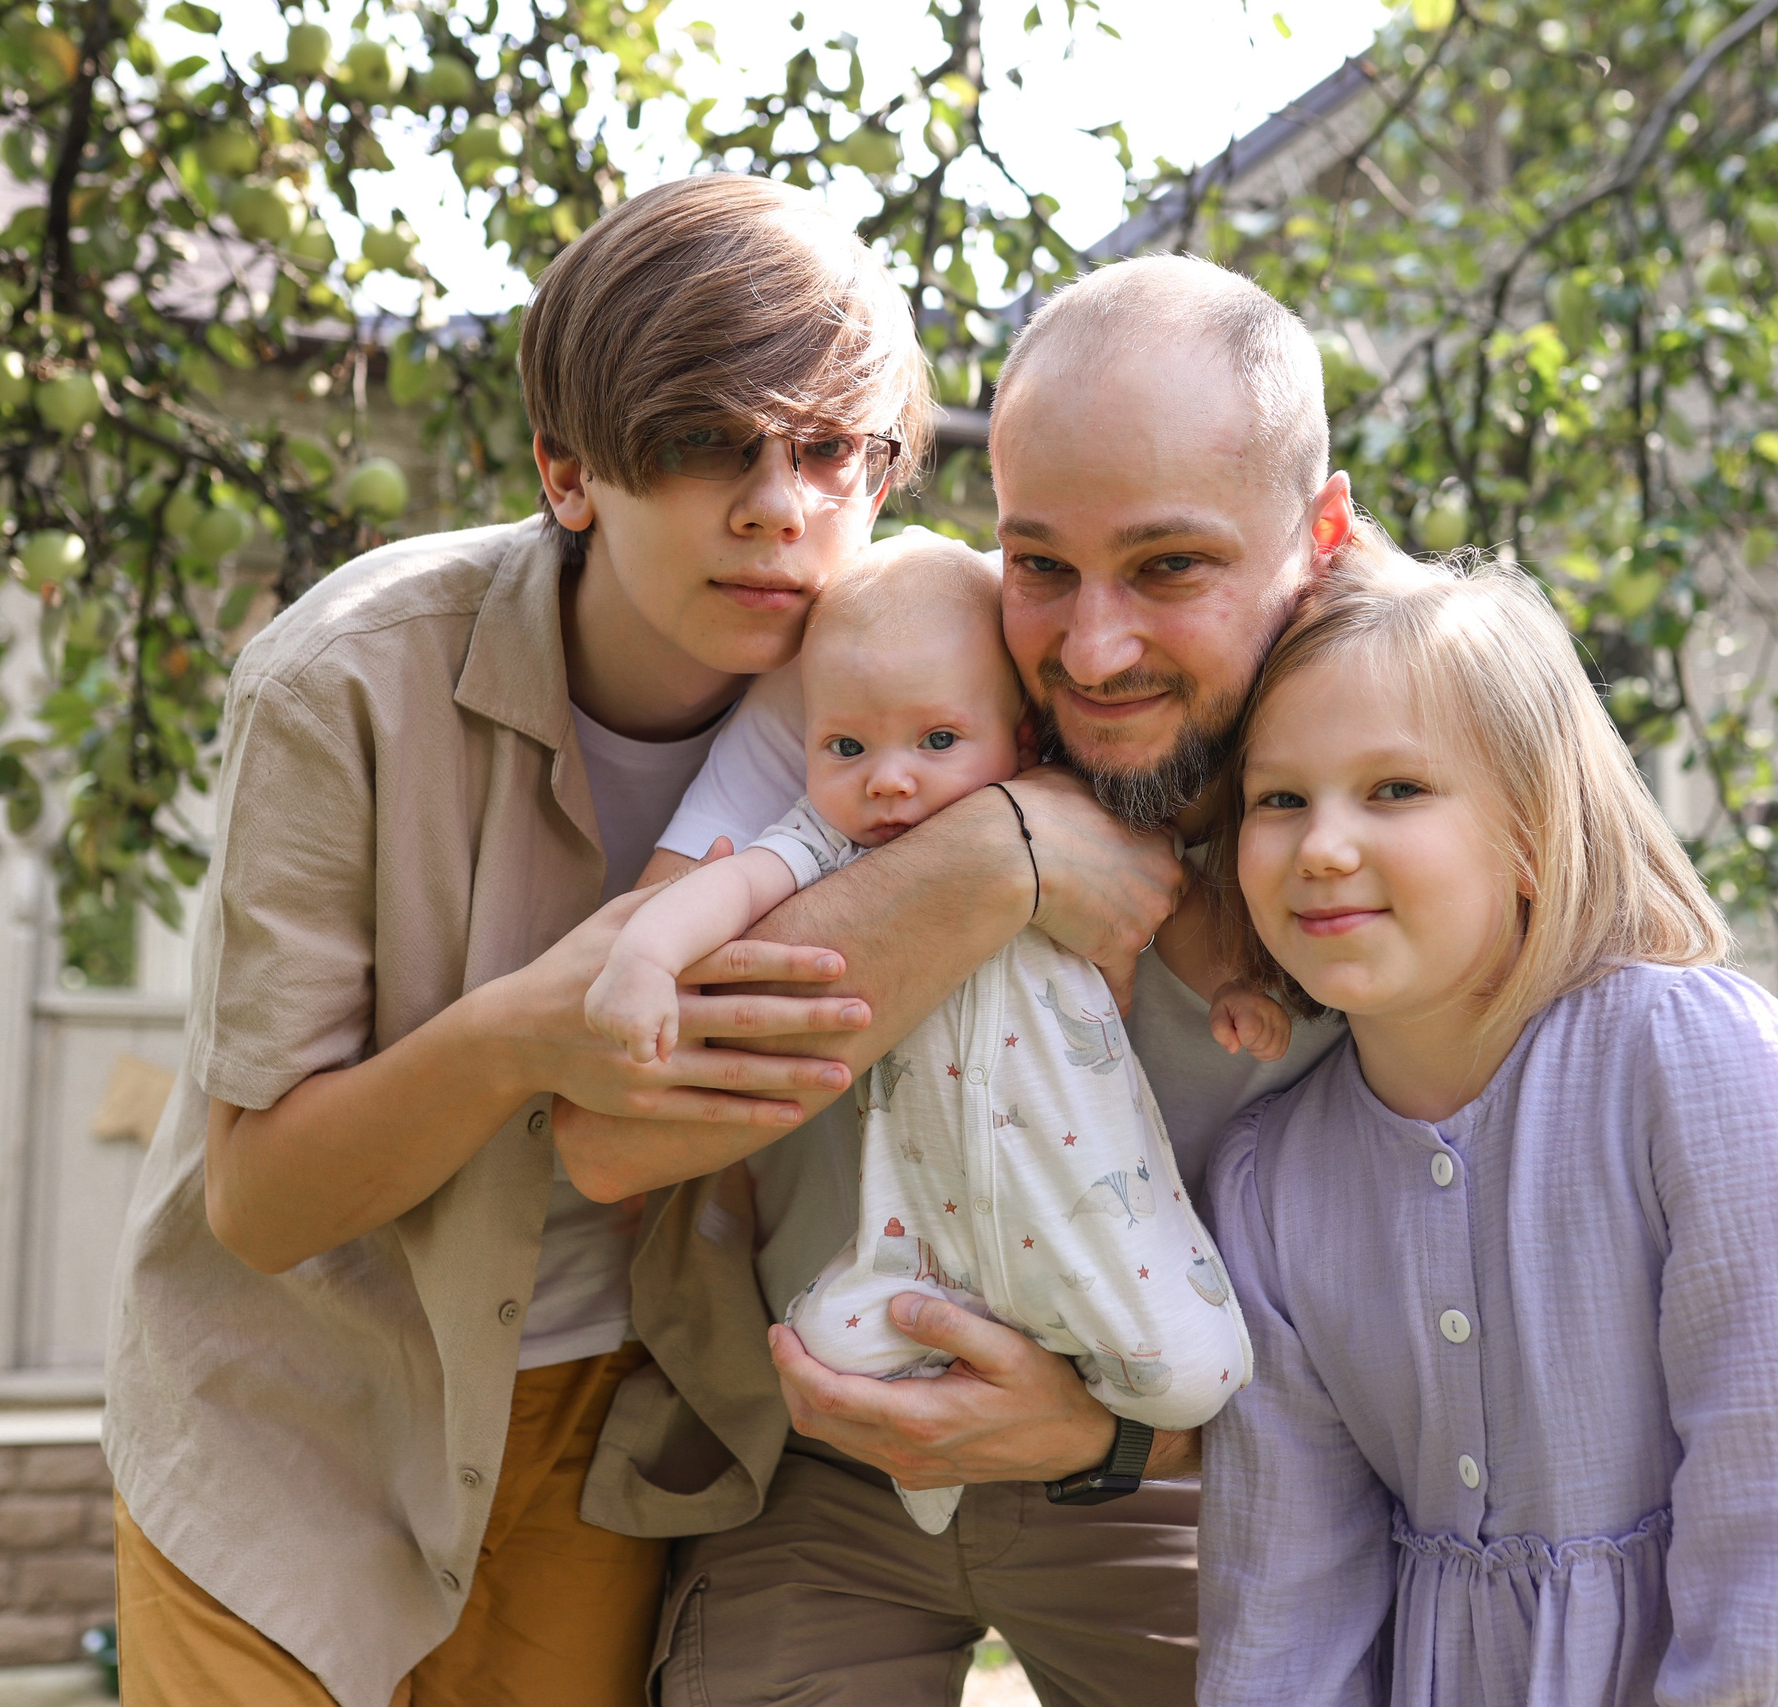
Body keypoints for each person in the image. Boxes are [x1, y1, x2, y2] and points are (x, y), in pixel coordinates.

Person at [102, 174, 975, 1707]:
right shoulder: (343, 681)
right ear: (571, 470)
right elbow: (258, 1197)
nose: (780, 503)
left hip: (613, 1425)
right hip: (295, 1410)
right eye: (707, 442)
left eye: (830, 448)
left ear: (886, 470)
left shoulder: (924, 685)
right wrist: (519, 1031)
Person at [553, 256, 1361, 1705]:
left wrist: (1113, 1439)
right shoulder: (892, 662)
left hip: (1181, 1463)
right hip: (832, 1450)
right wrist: (997, 850)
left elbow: (1458, 1328)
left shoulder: (1396, 759)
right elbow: (614, 1132)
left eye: (1170, 564)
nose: (1093, 647)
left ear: (1323, 536)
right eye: (1040, 564)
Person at [1194, 552, 1778, 1705]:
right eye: (1280, 799)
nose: (1324, 847)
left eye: (1395, 789)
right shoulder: (1269, 1182)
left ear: (1528, 828)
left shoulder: (1701, 1069)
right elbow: (1284, 1620)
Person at [586, 530, 1270, 1535]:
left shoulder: (1073, 816)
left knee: (1189, 1377)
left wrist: (1243, 988)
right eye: (846, 747)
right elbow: (733, 885)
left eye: (936, 742)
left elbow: (1164, 911)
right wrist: (644, 961)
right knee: (824, 1345)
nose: (889, 781)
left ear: (1021, 740)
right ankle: (931, 1456)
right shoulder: (830, 844)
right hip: (917, 1237)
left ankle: (1056, 1426)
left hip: (1081, 1216)